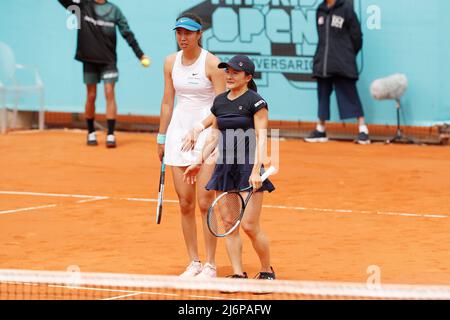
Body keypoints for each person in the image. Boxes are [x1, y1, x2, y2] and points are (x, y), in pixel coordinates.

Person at [184, 55, 276, 280]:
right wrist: (199, 160)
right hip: (225, 167)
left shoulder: (256, 102)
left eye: (235, 72)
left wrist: (256, 170)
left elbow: (261, 137)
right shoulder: (220, 102)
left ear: (248, 77)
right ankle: (238, 274)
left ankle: (266, 270)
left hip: (248, 167)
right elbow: (214, 135)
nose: (229, 75)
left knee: (249, 225)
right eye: (228, 71)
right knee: (228, 223)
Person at [157, 14, 226, 278]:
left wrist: (209, 139)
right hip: (177, 137)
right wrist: (161, 137)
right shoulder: (169, 62)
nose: (183, 37)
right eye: (179, 33)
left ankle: (210, 264)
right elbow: (167, 102)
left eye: (188, 33)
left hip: (206, 137)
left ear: (199, 34)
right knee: (185, 203)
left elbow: (221, 108)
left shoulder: (213, 64)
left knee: (205, 202)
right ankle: (193, 262)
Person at [58, 0, 149, 148]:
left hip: (108, 61)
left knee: (109, 92)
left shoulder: (114, 10)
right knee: (91, 95)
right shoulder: (83, 5)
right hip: (89, 59)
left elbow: (127, 33)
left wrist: (140, 55)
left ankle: (111, 134)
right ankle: (91, 132)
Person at [306, 0, 370, 144]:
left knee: (350, 94)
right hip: (323, 62)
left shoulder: (346, 9)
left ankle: (363, 130)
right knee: (322, 95)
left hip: (342, 63)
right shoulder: (320, 9)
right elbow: (322, 37)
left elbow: (357, 37)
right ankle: (320, 130)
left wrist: (346, 53)